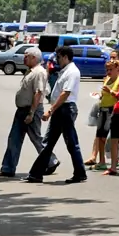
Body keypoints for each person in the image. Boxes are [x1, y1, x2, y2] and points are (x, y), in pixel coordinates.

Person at [28, 46, 88, 184]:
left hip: (65, 109)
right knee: (50, 142)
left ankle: (79, 173)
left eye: (59, 57)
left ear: (66, 57)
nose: (57, 60)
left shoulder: (72, 72)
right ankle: (36, 174)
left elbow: (65, 93)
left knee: (70, 143)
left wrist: (51, 110)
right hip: (61, 109)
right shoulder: (65, 71)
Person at [0, 48, 45, 179]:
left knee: (36, 139)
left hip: (31, 109)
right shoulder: (30, 71)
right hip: (22, 109)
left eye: (27, 56)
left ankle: (50, 161)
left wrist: (32, 113)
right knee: (14, 139)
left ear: (34, 57)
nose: (24, 58)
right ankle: (8, 168)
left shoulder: (39, 72)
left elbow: (38, 93)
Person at [87, 54, 119, 170]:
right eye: (107, 69)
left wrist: (111, 91)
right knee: (100, 136)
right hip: (103, 109)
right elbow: (104, 93)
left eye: (111, 69)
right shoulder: (106, 79)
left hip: (112, 110)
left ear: (117, 69)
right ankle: (101, 161)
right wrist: (100, 95)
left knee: (112, 138)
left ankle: (116, 160)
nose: (108, 72)